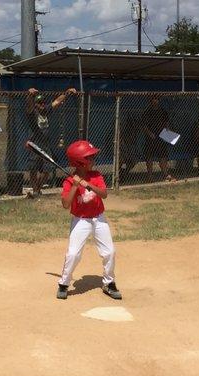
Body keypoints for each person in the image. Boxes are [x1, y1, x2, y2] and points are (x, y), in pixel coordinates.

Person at [56, 140, 121, 301]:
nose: (93, 160)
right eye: (89, 158)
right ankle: (63, 284)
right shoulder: (69, 181)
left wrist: (88, 185)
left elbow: (104, 194)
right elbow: (65, 204)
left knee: (110, 252)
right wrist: (75, 186)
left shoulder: (96, 175)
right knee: (73, 254)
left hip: (99, 219)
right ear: (80, 162)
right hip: (81, 221)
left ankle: (109, 282)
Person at [25, 87, 77, 198]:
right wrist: (30, 96)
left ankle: (37, 189)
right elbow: (29, 105)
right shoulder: (32, 113)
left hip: (45, 145)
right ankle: (35, 191)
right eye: (39, 103)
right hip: (35, 144)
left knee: (47, 169)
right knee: (33, 168)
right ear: (36, 104)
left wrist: (67, 93)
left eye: (43, 102)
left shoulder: (46, 111)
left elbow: (57, 101)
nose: (42, 104)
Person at [142, 95, 175, 181]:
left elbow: (166, 124)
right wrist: (149, 134)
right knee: (149, 157)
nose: (155, 101)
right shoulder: (147, 112)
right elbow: (144, 126)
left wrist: (167, 134)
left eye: (156, 99)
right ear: (151, 101)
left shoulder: (163, 111)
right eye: (153, 99)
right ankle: (150, 176)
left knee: (163, 156)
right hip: (151, 138)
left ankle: (165, 174)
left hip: (161, 136)